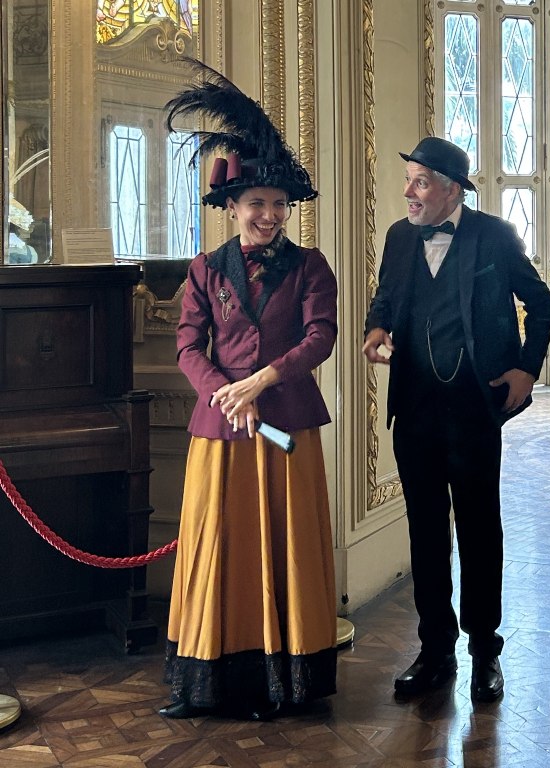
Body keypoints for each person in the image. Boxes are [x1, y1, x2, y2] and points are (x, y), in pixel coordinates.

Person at [159, 61, 338, 720]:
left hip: (286, 422)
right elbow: (188, 346)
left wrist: (262, 380)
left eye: (278, 204)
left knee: (284, 549)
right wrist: (222, 393)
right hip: (221, 427)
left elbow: (321, 337)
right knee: (218, 546)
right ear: (232, 207)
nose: (269, 214)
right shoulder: (205, 269)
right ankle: (207, 683)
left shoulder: (311, 266)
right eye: (257, 203)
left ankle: (280, 684)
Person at [363, 137, 550, 702]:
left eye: (420, 182)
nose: (409, 191)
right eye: (409, 180)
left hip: (475, 407)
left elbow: (541, 302)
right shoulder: (399, 236)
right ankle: (435, 651)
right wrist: (376, 328)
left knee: (478, 530)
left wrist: (527, 370)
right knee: (425, 532)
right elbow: (386, 295)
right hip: (414, 408)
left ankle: (484, 652)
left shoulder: (494, 236)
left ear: (451, 191)